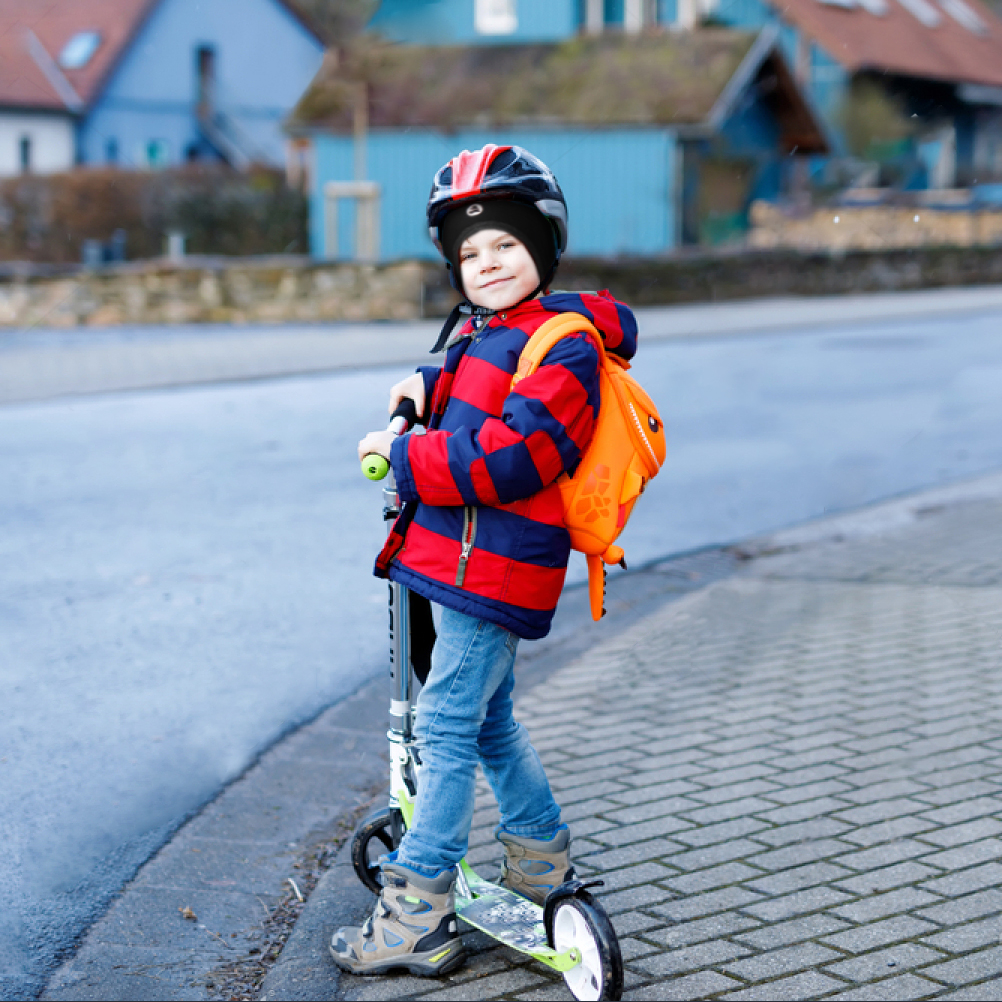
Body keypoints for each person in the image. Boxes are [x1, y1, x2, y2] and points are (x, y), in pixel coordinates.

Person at [331, 144, 638, 977]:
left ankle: (416, 910)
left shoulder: (564, 346)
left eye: (504, 243)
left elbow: (513, 458)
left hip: (492, 565)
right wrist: (417, 391)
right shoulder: (491, 330)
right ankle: (539, 866)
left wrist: (404, 458)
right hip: (458, 559)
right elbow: (463, 372)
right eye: (469, 252)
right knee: (490, 720)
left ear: (542, 244)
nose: (486, 262)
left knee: (446, 727)